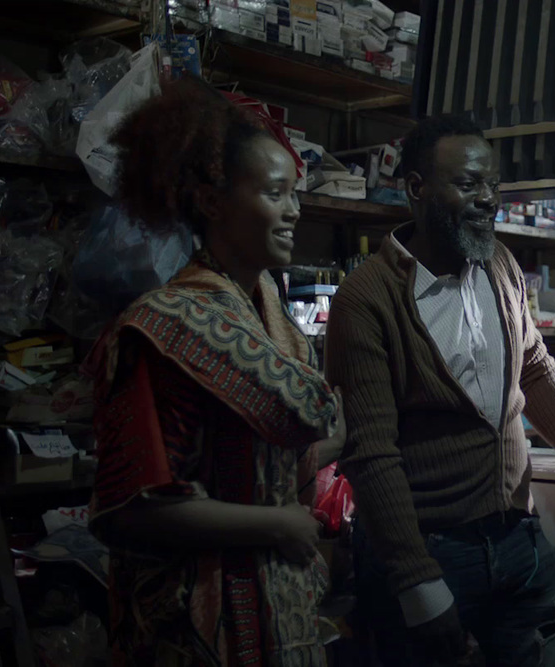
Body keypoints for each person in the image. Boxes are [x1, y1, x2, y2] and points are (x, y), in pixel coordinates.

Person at [325, 114, 555, 666]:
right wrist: (419, 587)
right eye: (468, 184)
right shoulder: (366, 300)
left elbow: (533, 365)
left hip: (518, 541)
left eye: (494, 186)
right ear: (415, 189)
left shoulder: (499, 264)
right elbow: (372, 453)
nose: (488, 200)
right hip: (430, 554)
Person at [83, 77, 343, 667]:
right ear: (213, 202)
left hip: (281, 608)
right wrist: (276, 523)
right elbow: (135, 509)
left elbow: (276, 454)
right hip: (196, 624)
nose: (294, 211)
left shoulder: (272, 321)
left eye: (295, 194)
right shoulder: (159, 330)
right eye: (275, 193)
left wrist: (331, 443)